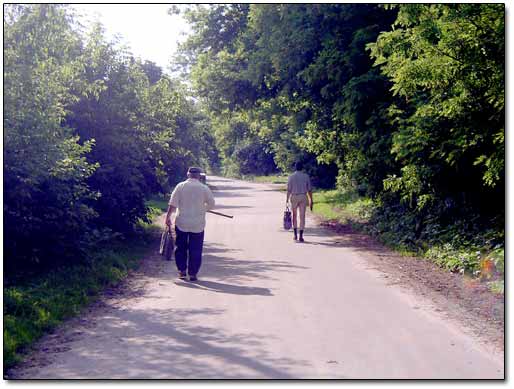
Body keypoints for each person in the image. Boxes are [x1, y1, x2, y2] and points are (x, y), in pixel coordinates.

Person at [165, 167, 215, 281]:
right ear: (199, 176)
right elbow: (212, 204)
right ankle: (193, 273)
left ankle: (182, 271)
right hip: (198, 224)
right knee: (196, 249)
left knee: (180, 247)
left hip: (181, 222)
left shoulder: (180, 186)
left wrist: (168, 217)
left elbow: (172, 204)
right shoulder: (204, 188)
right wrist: (203, 209)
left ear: (188, 174)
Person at [286, 161, 313, 242]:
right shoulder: (306, 176)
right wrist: (311, 200)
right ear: (302, 167)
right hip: (303, 196)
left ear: (295, 167)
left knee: (294, 216)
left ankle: (295, 235)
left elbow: (288, 190)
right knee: (302, 216)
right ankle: (301, 235)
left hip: (294, 196)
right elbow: (309, 190)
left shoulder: (291, 177)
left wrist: (287, 200)